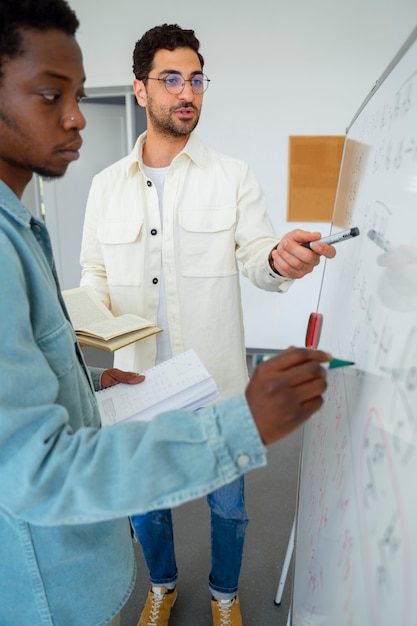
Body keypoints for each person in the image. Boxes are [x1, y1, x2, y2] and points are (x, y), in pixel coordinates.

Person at [0, 3, 332, 625]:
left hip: (218, 379)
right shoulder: (104, 184)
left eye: (197, 79)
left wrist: (282, 260)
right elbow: (94, 275)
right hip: (139, 379)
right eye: (172, 79)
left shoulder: (231, 177)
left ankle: (226, 597)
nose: (187, 92)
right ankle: (163, 585)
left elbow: (258, 256)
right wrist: (83, 330)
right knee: (146, 504)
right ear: (140, 87)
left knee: (229, 507)